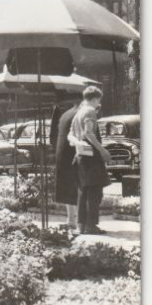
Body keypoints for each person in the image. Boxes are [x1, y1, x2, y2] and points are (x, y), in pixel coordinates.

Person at [68, 85, 112, 236]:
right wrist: (102, 150)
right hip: (92, 158)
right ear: (95, 98)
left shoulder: (78, 113)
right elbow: (89, 133)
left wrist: (77, 143)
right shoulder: (90, 111)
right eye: (98, 100)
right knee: (95, 192)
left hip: (80, 157)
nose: (98, 103)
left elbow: (70, 135)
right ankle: (91, 226)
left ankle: (82, 225)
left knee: (83, 192)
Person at [51, 97, 81, 232]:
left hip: (62, 155)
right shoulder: (80, 114)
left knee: (69, 188)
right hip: (75, 154)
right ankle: (80, 222)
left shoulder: (65, 114)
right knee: (81, 187)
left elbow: (52, 135)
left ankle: (71, 219)